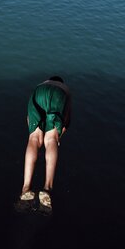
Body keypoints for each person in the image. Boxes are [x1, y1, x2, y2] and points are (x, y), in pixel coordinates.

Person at [17, 76, 72, 213]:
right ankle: (47, 188)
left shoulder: (41, 84)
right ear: (61, 82)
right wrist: (57, 137)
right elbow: (66, 123)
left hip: (37, 93)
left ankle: (26, 188)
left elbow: (28, 119)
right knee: (51, 140)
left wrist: (34, 134)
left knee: (34, 139)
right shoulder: (65, 89)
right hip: (59, 96)